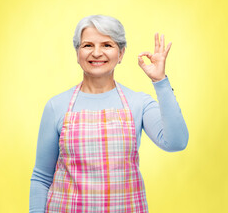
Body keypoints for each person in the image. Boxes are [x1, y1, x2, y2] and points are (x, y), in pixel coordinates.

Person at [29, 14, 189, 213]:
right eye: (87, 45)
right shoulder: (56, 106)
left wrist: (160, 81)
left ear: (121, 54)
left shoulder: (138, 103)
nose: (97, 53)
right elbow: (42, 177)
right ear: (77, 53)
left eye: (107, 45)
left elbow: (177, 142)